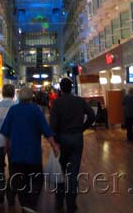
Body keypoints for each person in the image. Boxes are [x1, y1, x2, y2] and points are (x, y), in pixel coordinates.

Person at [0, 87, 59, 213]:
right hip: (33, 154)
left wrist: (5, 150)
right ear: (31, 97)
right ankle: (31, 204)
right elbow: (46, 131)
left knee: (20, 180)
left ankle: (25, 204)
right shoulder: (36, 110)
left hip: (16, 153)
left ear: (19, 97)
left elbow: (6, 133)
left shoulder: (13, 110)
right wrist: (54, 146)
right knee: (38, 178)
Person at [50, 78, 96, 213]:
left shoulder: (57, 103)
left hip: (62, 138)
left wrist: (54, 140)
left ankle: (59, 200)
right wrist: (82, 128)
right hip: (77, 138)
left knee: (60, 170)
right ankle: (71, 202)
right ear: (71, 87)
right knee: (73, 172)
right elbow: (92, 116)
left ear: (61, 89)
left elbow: (52, 124)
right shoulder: (80, 101)